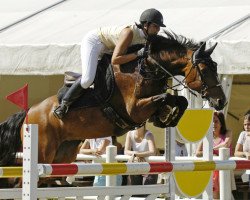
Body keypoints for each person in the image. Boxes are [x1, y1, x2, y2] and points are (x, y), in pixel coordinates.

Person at [53, 8, 166, 119]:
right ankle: (63, 105)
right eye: (155, 26)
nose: (158, 30)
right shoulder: (129, 33)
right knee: (88, 79)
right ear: (146, 25)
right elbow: (115, 60)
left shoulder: (148, 37)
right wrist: (137, 54)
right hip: (96, 42)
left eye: (159, 27)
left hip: (110, 47)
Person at [195, 111, 233, 200]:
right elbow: (197, 153)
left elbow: (226, 144)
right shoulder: (207, 135)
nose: (213, 124)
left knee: (225, 195)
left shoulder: (228, 132)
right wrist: (212, 154)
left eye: (216, 121)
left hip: (225, 170)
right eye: (211, 121)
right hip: (212, 171)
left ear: (221, 123)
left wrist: (210, 150)